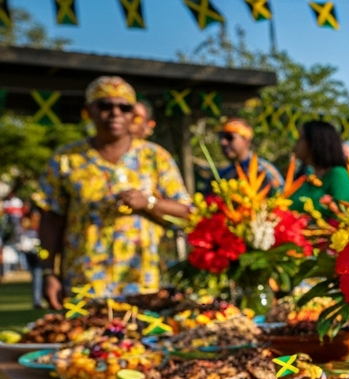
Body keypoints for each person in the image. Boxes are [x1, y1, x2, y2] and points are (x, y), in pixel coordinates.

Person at [37, 76, 191, 306]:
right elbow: (51, 219)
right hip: (85, 283)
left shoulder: (154, 157)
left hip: (146, 283)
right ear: (89, 110)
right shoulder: (67, 159)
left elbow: (187, 211)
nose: (115, 113)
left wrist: (148, 202)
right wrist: (49, 273)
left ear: (133, 114)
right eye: (105, 105)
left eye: (124, 107)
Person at [287, 120, 349, 220]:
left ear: (314, 142)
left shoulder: (339, 175)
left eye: (300, 138)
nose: (296, 144)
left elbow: (344, 216)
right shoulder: (306, 176)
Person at [216, 118, 284, 191]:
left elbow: (280, 194)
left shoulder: (263, 170)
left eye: (229, 137)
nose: (223, 142)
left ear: (246, 140)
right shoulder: (223, 174)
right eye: (221, 137)